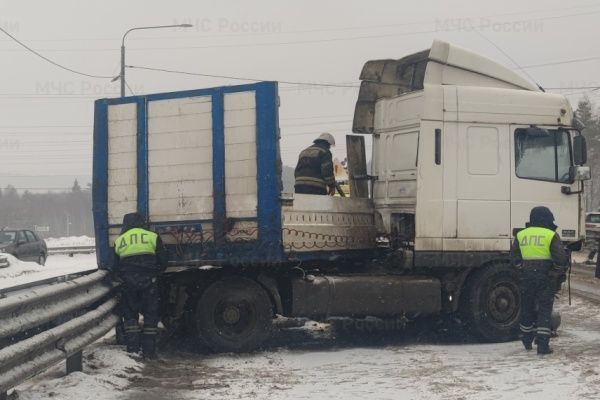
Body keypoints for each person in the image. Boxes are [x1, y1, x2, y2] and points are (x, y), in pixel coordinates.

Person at [510, 206, 569, 355]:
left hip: (526, 277)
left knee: (527, 308)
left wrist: (522, 269)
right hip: (545, 277)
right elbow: (560, 259)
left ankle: (526, 339)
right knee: (544, 310)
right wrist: (554, 272)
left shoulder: (521, 234)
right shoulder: (550, 235)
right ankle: (543, 345)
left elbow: (514, 258)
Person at [113, 212, 167, 359]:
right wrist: (155, 274)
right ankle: (149, 352)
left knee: (130, 317)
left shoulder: (120, 240)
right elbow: (163, 261)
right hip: (149, 282)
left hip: (128, 283)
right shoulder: (152, 236)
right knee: (150, 317)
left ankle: (133, 350)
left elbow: (114, 266)